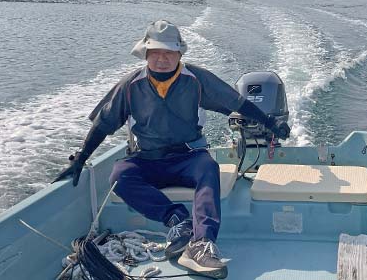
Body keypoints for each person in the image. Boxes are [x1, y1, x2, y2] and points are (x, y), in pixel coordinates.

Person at [55, 19, 290, 279]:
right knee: (119, 176)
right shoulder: (130, 85)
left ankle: (201, 245)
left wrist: (270, 122)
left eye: (169, 53)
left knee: (208, 168)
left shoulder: (197, 79)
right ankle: (177, 220)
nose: (162, 59)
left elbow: (237, 102)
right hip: (146, 159)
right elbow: (104, 123)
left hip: (188, 157)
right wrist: (80, 159)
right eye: (155, 53)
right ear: (146, 54)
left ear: (179, 54)